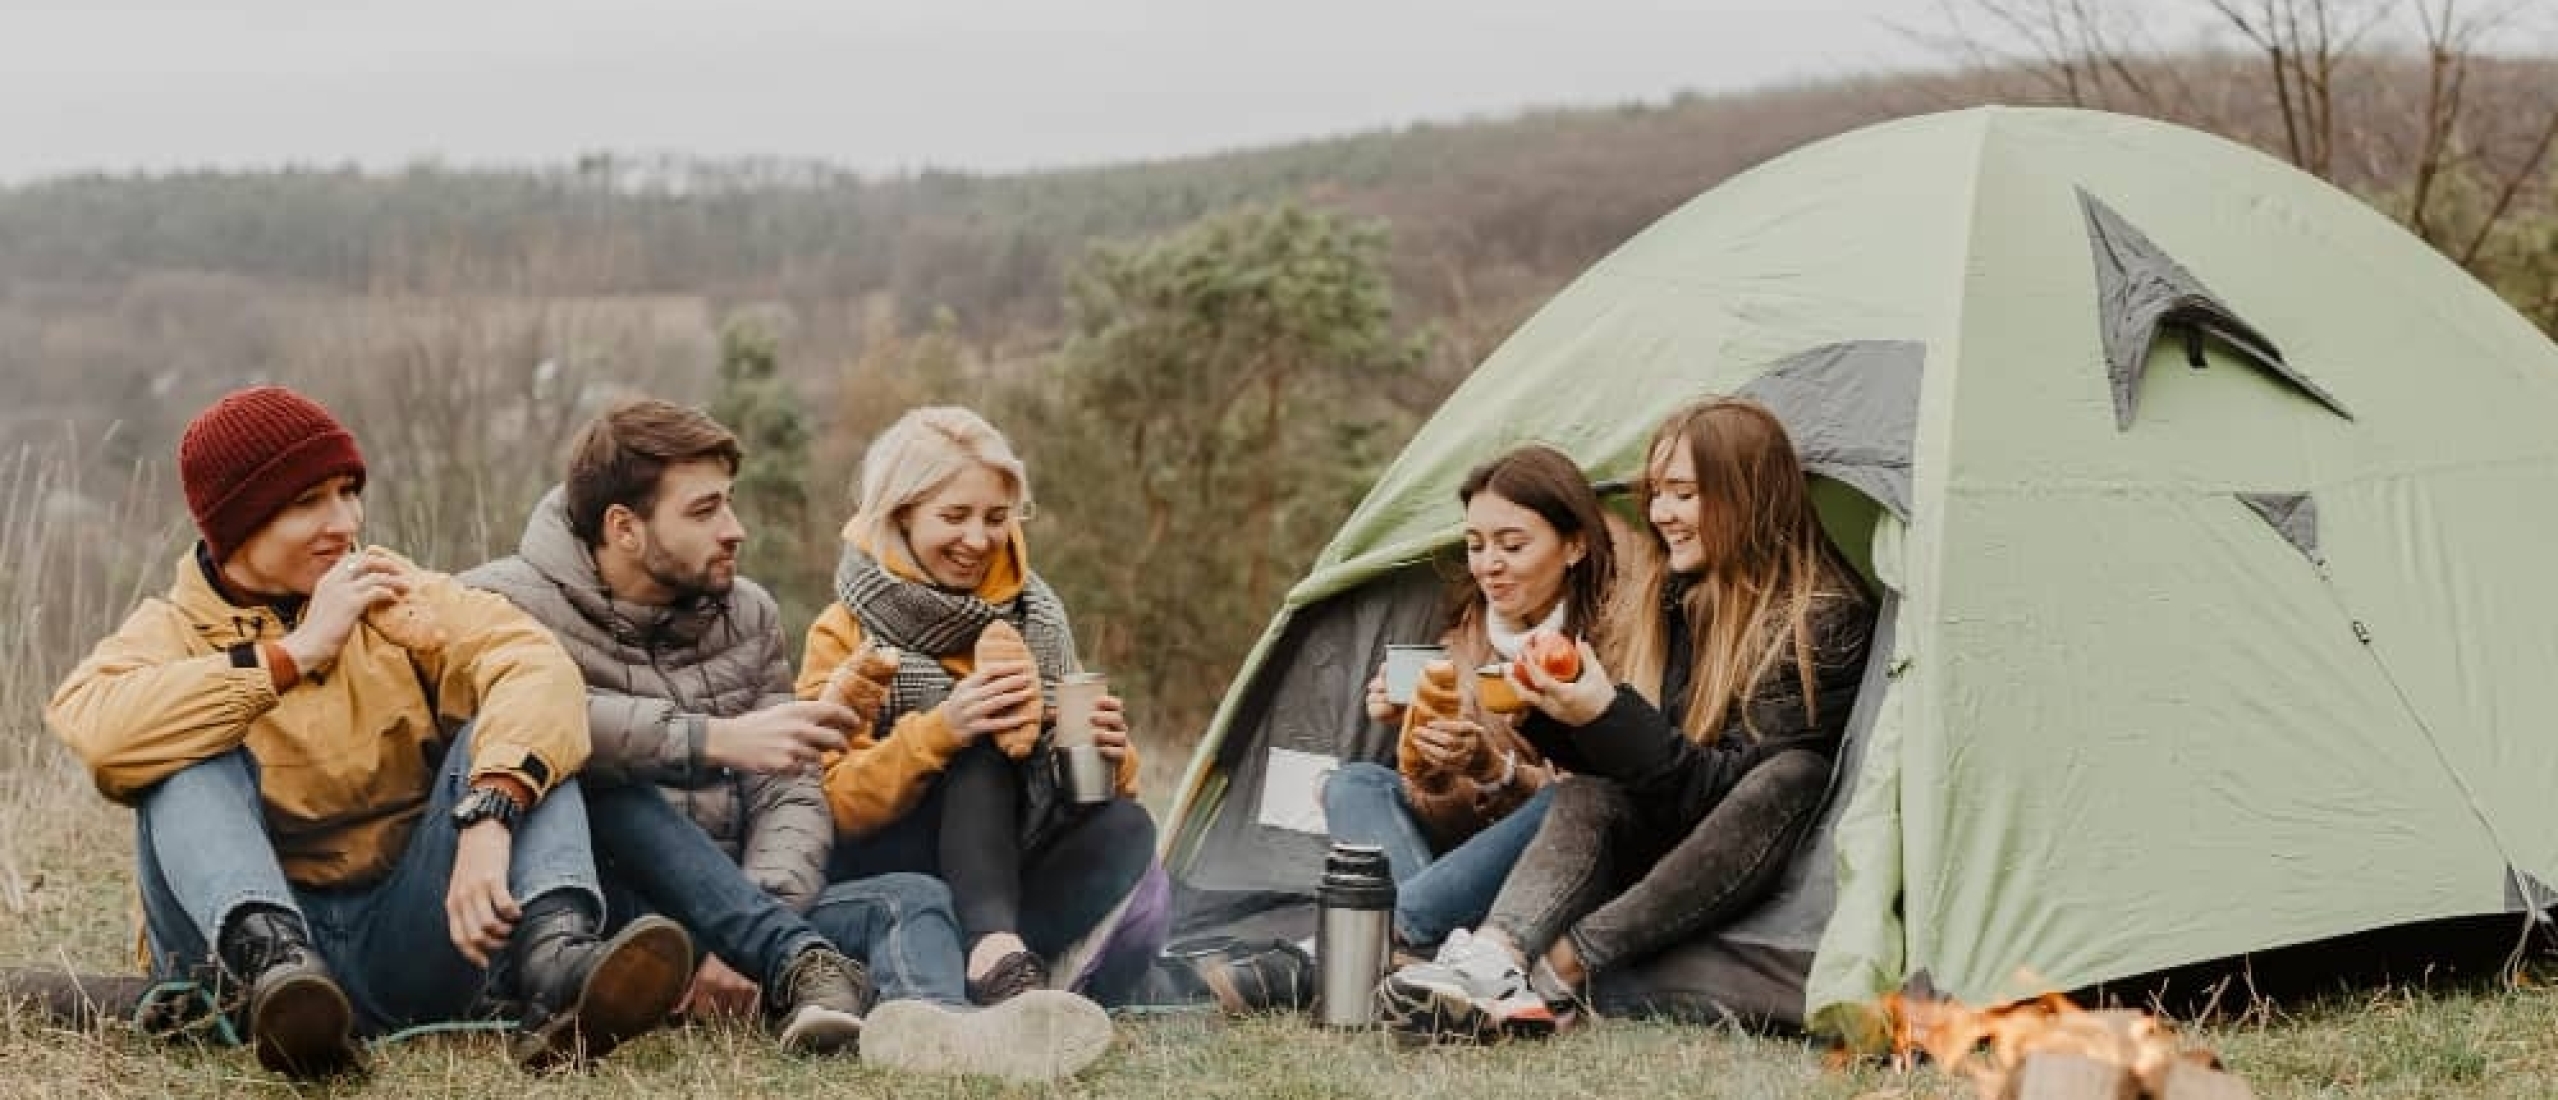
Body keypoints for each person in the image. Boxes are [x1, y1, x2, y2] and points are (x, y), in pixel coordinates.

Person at [45, 386, 691, 1079]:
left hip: (408, 936)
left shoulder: (395, 591)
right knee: (180, 755)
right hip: (236, 967)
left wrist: (491, 811)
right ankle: (282, 973)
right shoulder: (167, 631)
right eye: (307, 503)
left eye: (348, 492)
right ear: (233, 525)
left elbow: (536, 667)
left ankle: (557, 967)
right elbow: (100, 728)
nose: (343, 521)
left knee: (525, 742)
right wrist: (292, 657)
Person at [1378, 397, 1876, 1041]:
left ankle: (1562, 968)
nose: (1661, 513)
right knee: (1586, 790)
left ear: (1747, 495)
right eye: (1656, 493)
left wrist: (1605, 713)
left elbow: (1721, 795)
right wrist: (1558, 714)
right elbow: (1653, 782)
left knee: (1795, 774)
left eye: (1683, 493)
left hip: (1747, 854)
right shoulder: (1682, 599)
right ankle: (1495, 962)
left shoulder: (1823, 622)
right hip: (1665, 837)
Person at [798, 406, 1161, 1012]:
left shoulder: (1037, 614)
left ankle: (1000, 970)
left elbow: (1091, 795)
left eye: (996, 518)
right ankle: (990, 952)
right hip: (902, 865)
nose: (978, 540)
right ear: (902, 513)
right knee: (981, 747)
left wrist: (1113, 756)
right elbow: (830, 804)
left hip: (1013, 861)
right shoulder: (844, 631)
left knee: (1128, 829)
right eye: (954, 516)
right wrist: (942, 730)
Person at [1321, 443, 1616, 952]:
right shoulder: (1467, 641)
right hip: (1465, 857)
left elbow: (1608, 806)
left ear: (1574, 546)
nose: (1488, 566)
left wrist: (1494, 769)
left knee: (1566, 799)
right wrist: (1418, 737)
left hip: (1559, 861)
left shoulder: (1616, 631)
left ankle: (1379, 937)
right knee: (1353, 783)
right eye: (1476, 545)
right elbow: (1437, 807)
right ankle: (1424, 946)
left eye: (1512, 545)